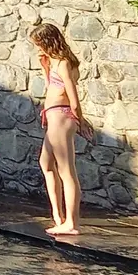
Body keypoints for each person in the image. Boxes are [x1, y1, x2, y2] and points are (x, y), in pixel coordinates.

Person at [32, 21, 93, 236]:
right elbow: (52, 88)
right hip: (53, 116)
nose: (37, 48)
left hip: (62, 115)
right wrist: (45, 68)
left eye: (39, 43)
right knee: (46, 163)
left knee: (67, 171)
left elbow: (73, 98)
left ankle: (72, 223)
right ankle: (58, 216)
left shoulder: (64, 63)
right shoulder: (55, 63)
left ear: (48, 42)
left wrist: (81, 120)